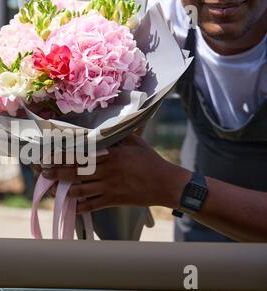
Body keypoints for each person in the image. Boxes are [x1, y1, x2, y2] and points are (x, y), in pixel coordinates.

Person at [42, 0, 267, 242]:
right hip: (199, 221)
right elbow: (121, 141)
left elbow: (163, 184)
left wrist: (171, 186)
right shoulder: (155, 22)